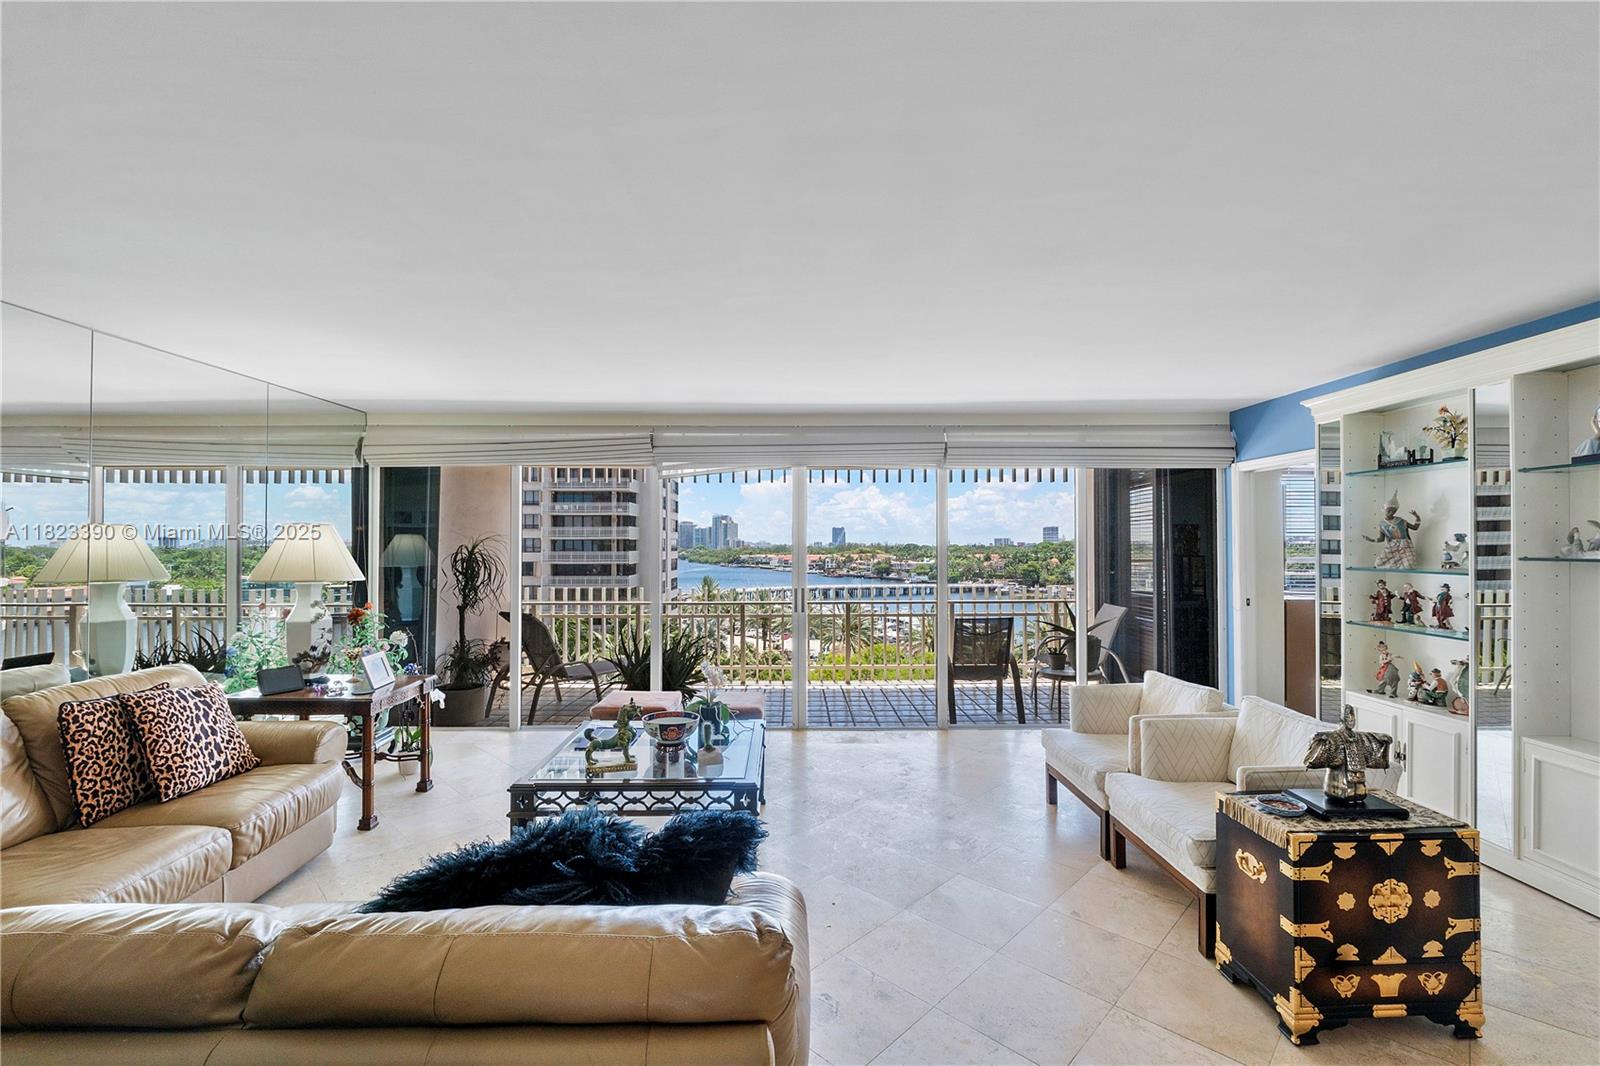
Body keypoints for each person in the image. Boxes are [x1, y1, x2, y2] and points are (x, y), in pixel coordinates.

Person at [1362, 492, 1422, 569]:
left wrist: (1417, 517)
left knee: (1409, 565)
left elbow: (1415, 527)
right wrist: (1371, 540)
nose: (1391, 513)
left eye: (1393, 511)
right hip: (1392, 546)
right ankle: (1393, 566)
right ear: (1384, 510)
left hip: (1405, 546)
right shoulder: (1382, 524)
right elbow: (1381, 539)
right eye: (1389, 510)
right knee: (1378, 563)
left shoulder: (1401, 521)